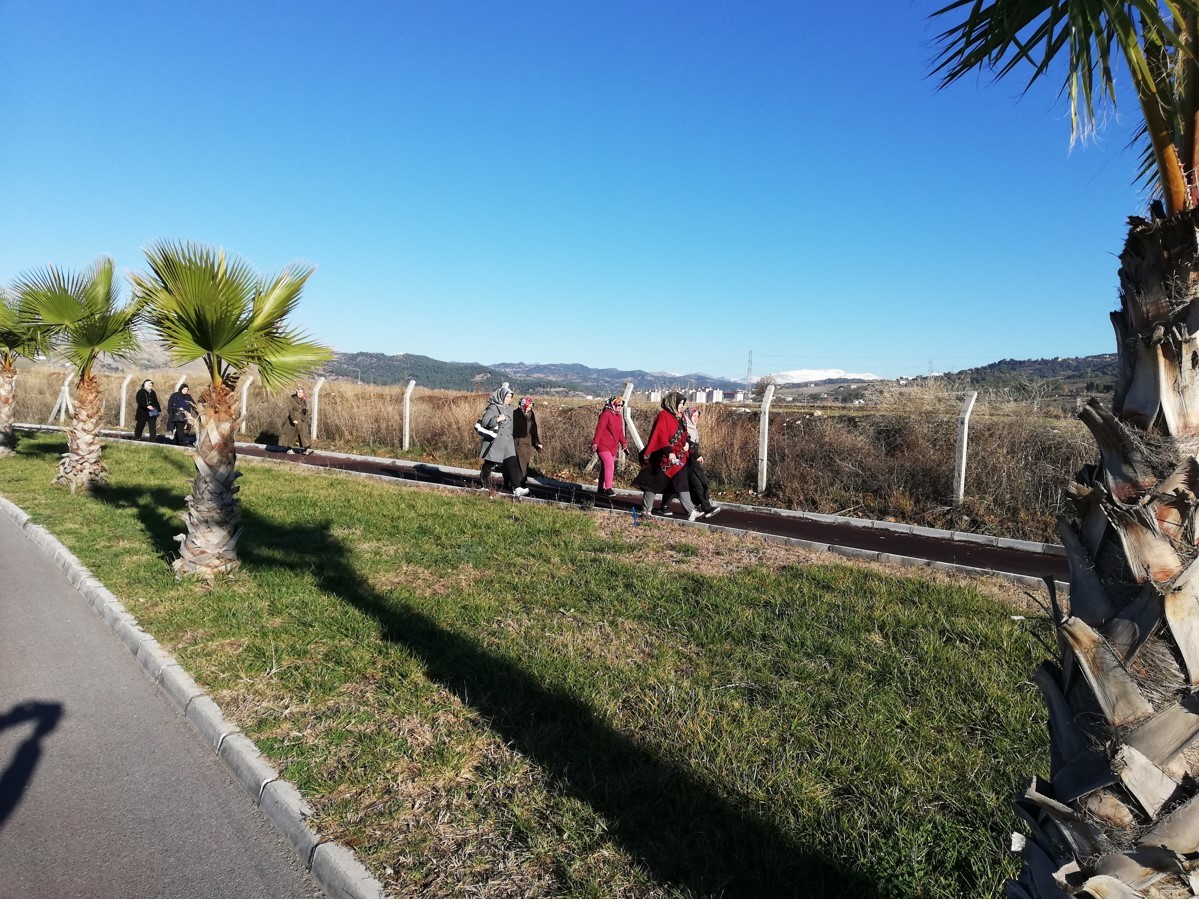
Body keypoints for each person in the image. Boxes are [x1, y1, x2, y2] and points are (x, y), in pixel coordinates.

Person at [632, 391, 702, 521]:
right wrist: (669, 451)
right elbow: (660, 435)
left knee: (682, 483)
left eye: (682, 404)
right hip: (662, 459)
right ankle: (646, 511)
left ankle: (691, 511)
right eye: (680, 404)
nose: (682, 406)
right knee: (652, 483)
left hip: (678, 458)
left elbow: (683, 436)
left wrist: (690, 448)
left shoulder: (679, 417)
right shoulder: (663, 415)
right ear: (672, 403)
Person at [664, 407, 720, 518]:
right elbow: (684, 442)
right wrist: (695, 455)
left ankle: (703, 506)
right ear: (688, 416)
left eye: (697, 416)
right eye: (693, 416)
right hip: (685, 460)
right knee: (683, 484)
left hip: (692, 461)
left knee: (693, 484)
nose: (696, 418)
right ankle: (665, 505)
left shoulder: (693, 428)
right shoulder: (683, 427)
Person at [477, 383, 527, 496]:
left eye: (510, 397)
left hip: (508, 441)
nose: (509, 399)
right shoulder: (493, 407)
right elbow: (485, 422)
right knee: (489, 463)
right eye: (507, 396)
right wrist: (497, 419)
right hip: (495, 441)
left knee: (512, 463)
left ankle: (517, 488)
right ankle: (485, 485)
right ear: (501, 396)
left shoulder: (510, 409)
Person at [591, 396, 629, 497]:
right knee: (609, 464)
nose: (620, 407)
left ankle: (601, 488)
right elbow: (600, 429)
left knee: (605, 467)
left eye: (621, 405)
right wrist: (595, 443)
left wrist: (624, 443)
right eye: (618, 405)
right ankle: (608, 488)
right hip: (603, 444)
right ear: (613, 404)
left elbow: (620, 432)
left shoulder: (619, 416)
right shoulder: (606, 414)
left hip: (613, 446)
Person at [512, 396, 543, 487]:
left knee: (526, 462)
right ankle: (521, 483)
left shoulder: (531, 414)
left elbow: (534, 429)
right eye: (528, 406)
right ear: (523, 405)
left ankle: (519, 481)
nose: (530, 408)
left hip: (528, 440)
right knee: (521, 462)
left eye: (531, 406)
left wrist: (537, 443)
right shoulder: (515, 414)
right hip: (519, 440)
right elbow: (512, 429)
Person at [281, 387, 313, 455]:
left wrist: (306, 414)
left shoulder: (304, 400)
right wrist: (293, 419)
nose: (300, 394)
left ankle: (306, 449)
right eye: (299, 392)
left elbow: (305, 409)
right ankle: (289, 449)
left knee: (305, 434)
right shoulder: (292, 399)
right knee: (292, 434)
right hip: (295, 419)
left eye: (302, 392)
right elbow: (290, 410)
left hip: (302, 419)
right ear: (296, 392)